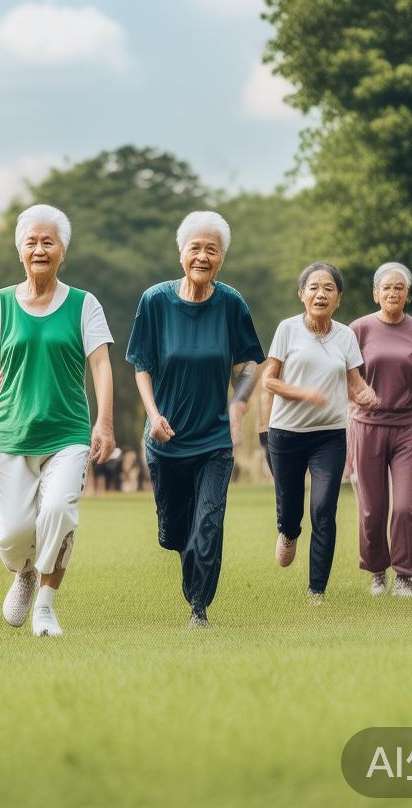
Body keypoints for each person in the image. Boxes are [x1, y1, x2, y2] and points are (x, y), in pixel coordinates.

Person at [0, 204, 115, 638]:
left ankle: (46, 606)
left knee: (58, 511)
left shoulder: (84, 304)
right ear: (19, 250)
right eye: (31, 242)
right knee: (12, 534)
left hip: (67, 432)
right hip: (9, 433)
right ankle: (24, 572)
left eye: (48, 242)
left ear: (62, 251)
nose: (39, 249)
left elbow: (101, 366)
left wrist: (104, 423)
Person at [126, 210, 264, 628]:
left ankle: (199, 607)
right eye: (195, 248)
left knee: (208, 523)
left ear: (222, 257)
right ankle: (188, 568)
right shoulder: (155, 301)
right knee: (175, 533)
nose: (203, 256)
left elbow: (250, 364)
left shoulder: (231, 303)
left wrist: (238, 403)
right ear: (181, 252)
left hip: (214, 440)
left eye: (212, 250)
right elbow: (142, 365)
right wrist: (153, 415)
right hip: (166, 440)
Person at [263, 262, 378, 603]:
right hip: (286, 434)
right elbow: (269, 379)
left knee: (324, 507)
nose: (320, 294)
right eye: (313, 287)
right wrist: (303, 393)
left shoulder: (346, 336)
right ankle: (288, 532)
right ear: (302, 294)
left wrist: (366, 394)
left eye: (329, 288)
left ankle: (317, 590)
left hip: (329, 435)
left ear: (338, 298)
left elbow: (355, 382)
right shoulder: (287, 329)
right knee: (290, 509)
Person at [348, 263, 412, 597]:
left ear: (407, 294)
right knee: (373, 508)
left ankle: (404, 576)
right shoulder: (359, 329)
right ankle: (377, 572)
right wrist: (358, 393)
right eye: (387, 288)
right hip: (367, 426)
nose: (393, 293)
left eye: (399, 288)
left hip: (405, 428)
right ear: (376, 294)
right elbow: (345, 374)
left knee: (404, 507)